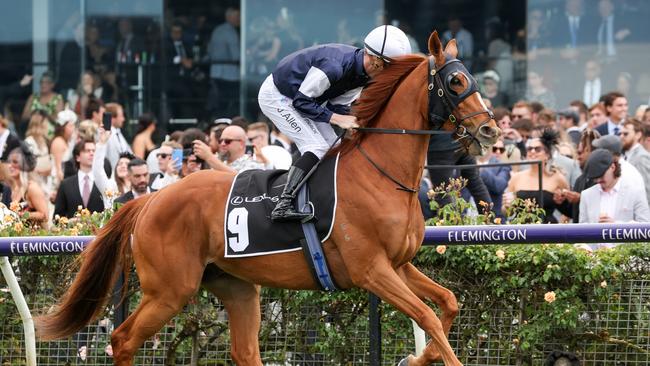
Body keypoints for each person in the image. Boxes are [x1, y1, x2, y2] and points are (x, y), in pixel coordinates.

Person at [257, 25, 411, 221]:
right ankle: (282, 204)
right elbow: (302, 102)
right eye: (391, 69)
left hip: (308, 99)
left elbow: (336, 107)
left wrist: (360, 123)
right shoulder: (334, 66)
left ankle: (321, 197)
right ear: (377, 61)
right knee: (317, 146)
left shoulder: (363, 76)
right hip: (278, 96)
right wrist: (339, 119)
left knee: (336, 147)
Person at [505, 129, 569, 223]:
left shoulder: (557, 178)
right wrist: (506, 206)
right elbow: (506, 211)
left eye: (537, 149)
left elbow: (569, 209)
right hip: (522, 230)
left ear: (547, 154)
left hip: (548, 231)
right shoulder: (516, 177)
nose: (533, 151)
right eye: (530, 149)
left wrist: (562, 224)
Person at [579, 149, 649, 224]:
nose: (598, 180)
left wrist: (616, 226)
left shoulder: (635, 192)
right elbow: (583, 229)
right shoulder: (586, 195)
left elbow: (645, 225)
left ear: (612, 167)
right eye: (595, 177)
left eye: (601, 175)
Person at [54, 140, 104, 218]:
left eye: (94, 151)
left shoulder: (103, 183)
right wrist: (70, 222)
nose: (92, 153)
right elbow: (57, 217)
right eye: (87, 151)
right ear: (77, 157)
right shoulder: (66, 184)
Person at [207, 7, 241, 119]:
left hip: (216, 72)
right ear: (229, 17)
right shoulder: (230, 32)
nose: (239, 19)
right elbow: (236, 56)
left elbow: (209, 51)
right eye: (237, 17)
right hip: (229, 75)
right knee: (230, 103)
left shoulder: (217, 30)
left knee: (220, 103)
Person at [193, 125, 264, 173]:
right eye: (220, 141)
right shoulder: (218, 161)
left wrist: (209, 157)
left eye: (227, 141)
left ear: (241, 144)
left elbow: (240, 180)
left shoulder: (253, 165)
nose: (222, 144)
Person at [7, 146, 48, 226]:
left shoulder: (32, 188)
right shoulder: (14, 188)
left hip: (33, 236)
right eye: (9, 162)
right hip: (17, 237)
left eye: (15, 162)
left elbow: (45, 215)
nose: (10, 166)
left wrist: (22, 215)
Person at [94, 128, 133, 207]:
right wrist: (102, 143)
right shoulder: (110, 186)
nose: (122, 165)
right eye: (119, 163)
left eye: (126, 164)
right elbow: (98, 172)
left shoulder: (138, 187)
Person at [620, 119, 650, 206]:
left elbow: (647, 189)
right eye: (620, 133)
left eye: (626, 134)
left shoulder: (641, 157)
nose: (621, 136)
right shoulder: (624, 155)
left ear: (638, 135)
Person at [50, 109, 77, 186]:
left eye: (73, 125)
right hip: (59, 181)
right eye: (70, 126)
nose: (73, 128)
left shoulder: (67, 142)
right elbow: (58, 167)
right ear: (62, 127)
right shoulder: (58, 142)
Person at [104, 103, 133, 169]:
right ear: (112, 118)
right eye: (121, 116)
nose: (123, 119)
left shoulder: (118, 132)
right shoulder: (105, 134)